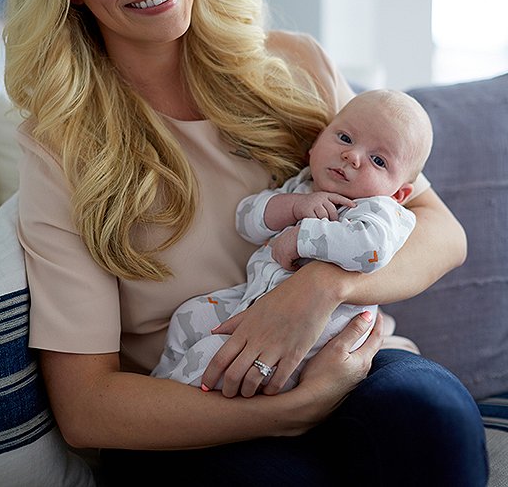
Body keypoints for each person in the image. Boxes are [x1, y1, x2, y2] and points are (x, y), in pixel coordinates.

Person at [2, 0, 488, 486]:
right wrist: (291, 411)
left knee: (431, 418)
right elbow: (88, 408)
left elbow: (440, 229)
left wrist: (323, 287)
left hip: (343, 356)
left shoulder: (293, 65)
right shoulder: (63, 146)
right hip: (192, 402)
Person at [153, 89, 432, 392]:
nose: (352, 156)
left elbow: (370, 250)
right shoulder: (301, 187)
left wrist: (302, 237)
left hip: (308, 344)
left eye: (377, 160)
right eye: (345, 139)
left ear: (399, 194)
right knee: (189, 316)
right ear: (316, 143)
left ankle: (165, 406)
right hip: (252, 300)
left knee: (210, 355)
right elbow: (246, 220)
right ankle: (162, 382)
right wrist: (293, 206)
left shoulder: (379, 210)